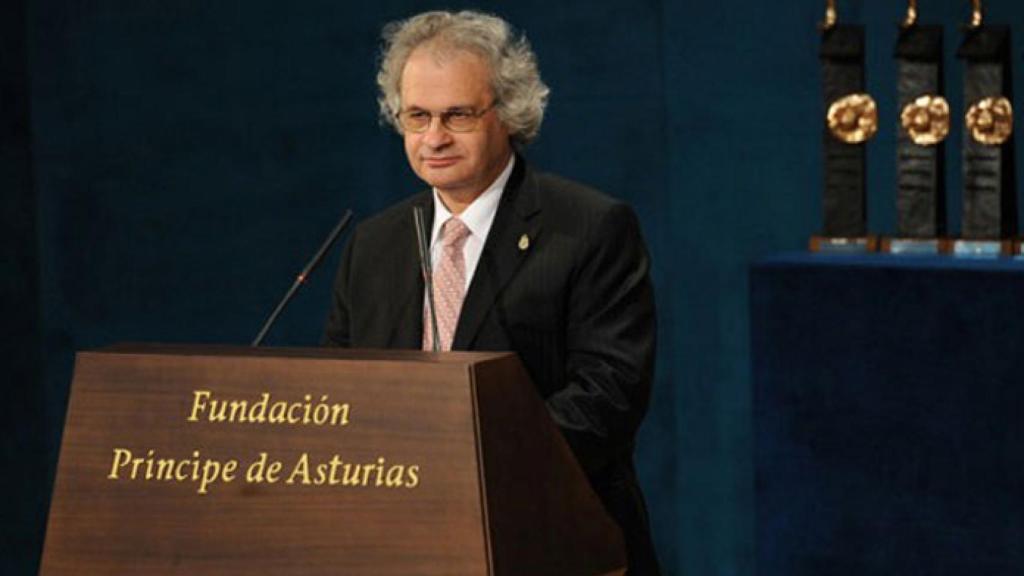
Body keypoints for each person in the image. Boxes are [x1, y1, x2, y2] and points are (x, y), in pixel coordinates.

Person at [323, 10, 660, 574]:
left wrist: (461, 468)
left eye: (457, 115)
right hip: (396, 543)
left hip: (550, 540)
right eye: (417, 116)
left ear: (508, 112)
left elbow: (609, 396)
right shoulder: (373, 244)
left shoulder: (589, 227)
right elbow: (340, 392)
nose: (434, 138)